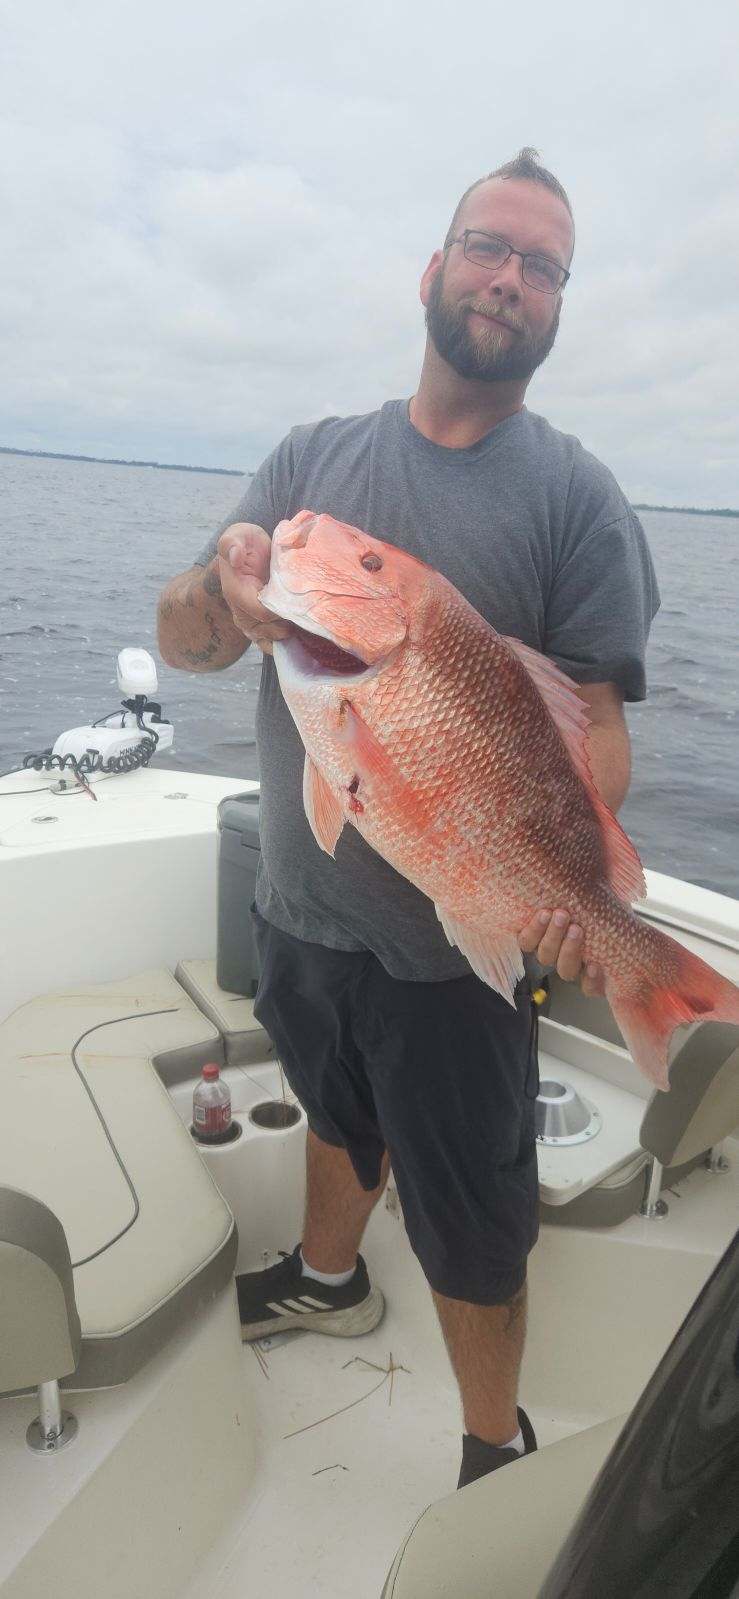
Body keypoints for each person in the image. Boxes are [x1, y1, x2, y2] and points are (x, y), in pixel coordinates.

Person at [158, 148, 659, 1489]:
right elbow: (183, 637)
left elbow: (594, 732)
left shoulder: (578, 503)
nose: (508, 279)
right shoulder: (311, 460)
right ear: (433, 269)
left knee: (477, 1214)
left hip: (463, 950)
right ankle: (332, 1279)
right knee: (331, 1110)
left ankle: (492, 1441)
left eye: (541, 266)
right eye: (488, 248)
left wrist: (569, 875)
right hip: (305, 909)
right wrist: (226, 582)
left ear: (557, 305)